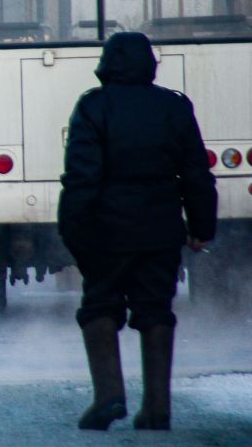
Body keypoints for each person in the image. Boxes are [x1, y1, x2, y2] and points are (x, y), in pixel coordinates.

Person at [59, 32, 217, 432]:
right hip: (161, 229)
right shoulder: (174, 107)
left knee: (99, 305)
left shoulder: (94, 107)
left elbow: (81, 179)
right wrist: (201, 226)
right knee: (155, 309)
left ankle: (109, 395)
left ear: (107, 64)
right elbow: (196, 173)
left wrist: (74, 231)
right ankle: (157, 408)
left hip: (106, 231)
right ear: (150, 64)